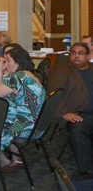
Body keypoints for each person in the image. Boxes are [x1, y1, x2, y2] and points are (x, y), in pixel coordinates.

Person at [0, 48, 46, 170]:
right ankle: (15, 155)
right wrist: (1, 71)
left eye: (8, 61)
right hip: (36, 125)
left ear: (18, 63)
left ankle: (1, 159)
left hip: (21, 127)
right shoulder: (31, 76)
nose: (5, 63)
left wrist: (2, 72)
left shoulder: (15, 78)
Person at [48, 42, 93, 177]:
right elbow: (53, 95)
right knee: (77, 129)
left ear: (88, 56)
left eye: (80, 53)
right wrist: (64, 113)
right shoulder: (61, 70)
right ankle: (87, 171)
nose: (76, 56)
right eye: (73, 53)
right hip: (79, 114)